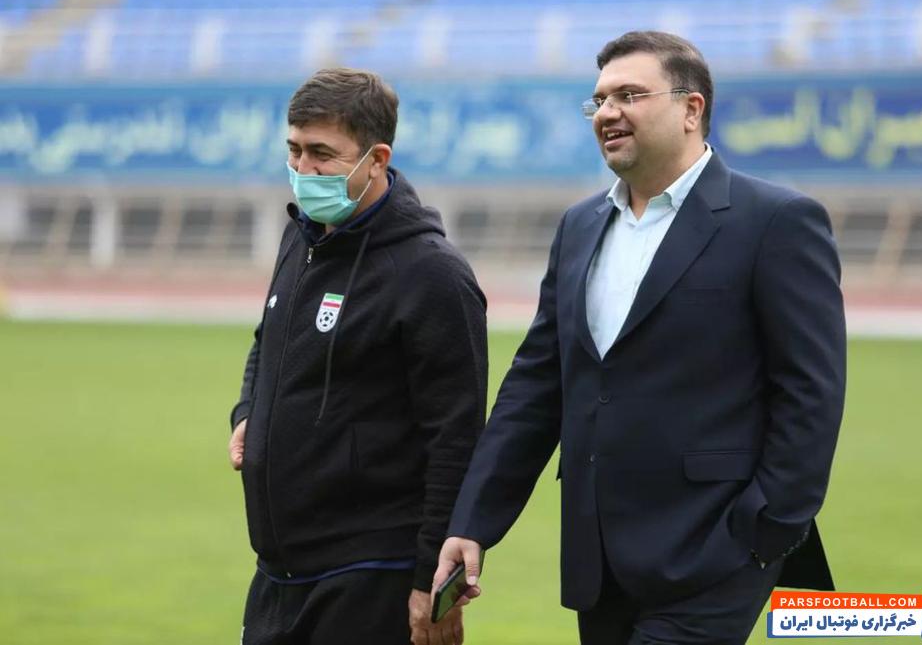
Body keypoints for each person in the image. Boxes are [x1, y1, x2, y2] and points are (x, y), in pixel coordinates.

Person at [435, 31, 846, 645]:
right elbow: (535, 389)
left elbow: (811, 392)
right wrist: (473, 523)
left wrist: (766, 528)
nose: (607, 112)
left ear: (691, 109)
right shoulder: (579, 226)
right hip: (598, 564)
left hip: (716, 556)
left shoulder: (776, 221)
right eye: (599, 100)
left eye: (629, 95)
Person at [228, 67, 487, 645]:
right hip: (279, 574)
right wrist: (247, 412)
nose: (303, 169)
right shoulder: (302, 236)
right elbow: (267, 339)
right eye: (294, 150)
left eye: (322, 154)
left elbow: (457, 440)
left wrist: (433, 585)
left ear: (376, 159)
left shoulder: (432, 274)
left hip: (373, 577)